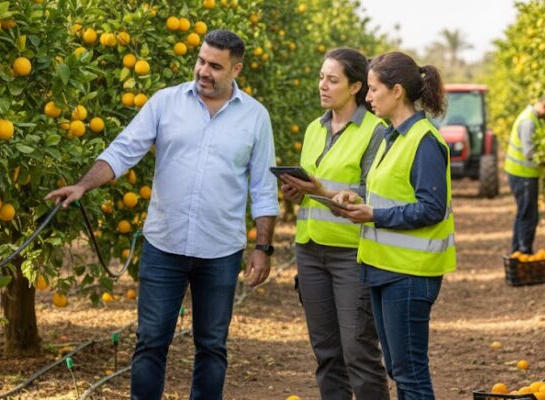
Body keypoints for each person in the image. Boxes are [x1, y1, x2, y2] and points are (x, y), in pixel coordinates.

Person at [45, 29, 277, 400]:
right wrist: (83, 185)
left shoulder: (255, 117)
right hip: (164, 245)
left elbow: (264, 187)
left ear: (236, 70)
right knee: (151, 341)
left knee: (212, 346)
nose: (203, 70)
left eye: (215, 66)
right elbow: (123, 151)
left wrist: (263, 248)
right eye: (201, 61)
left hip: (220, 250)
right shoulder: (165, 102)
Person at [330, 51, 455, 400]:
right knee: (398, 369)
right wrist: (356, 202)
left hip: (410, 274)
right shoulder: (392, 136)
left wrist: (375, 215)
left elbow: (431, 208)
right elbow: (389, 195)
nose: (367, 98)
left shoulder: (424, 141)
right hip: (383, 268)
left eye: (372, 89)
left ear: (396, 90)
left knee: (410, 373)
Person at [278, 48, 388, 400]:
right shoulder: (314, 128)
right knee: (326, 354)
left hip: (352, 253)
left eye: (332, 79)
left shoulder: (376, 132)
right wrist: (299, 192)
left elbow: (374, 192)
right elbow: (315, 186)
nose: (322, 85)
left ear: (356, 86)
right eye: (321, 77)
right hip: (310, 250)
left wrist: (322, 189)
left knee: (359, 352)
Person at [503, 97, 545, 254]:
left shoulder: (532, 118)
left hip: (523, 174)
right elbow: (529, 152)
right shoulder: (529, 121)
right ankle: (524, 252)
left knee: (524, 213)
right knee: (529, 215)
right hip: (522, 175)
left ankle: (518, 252)